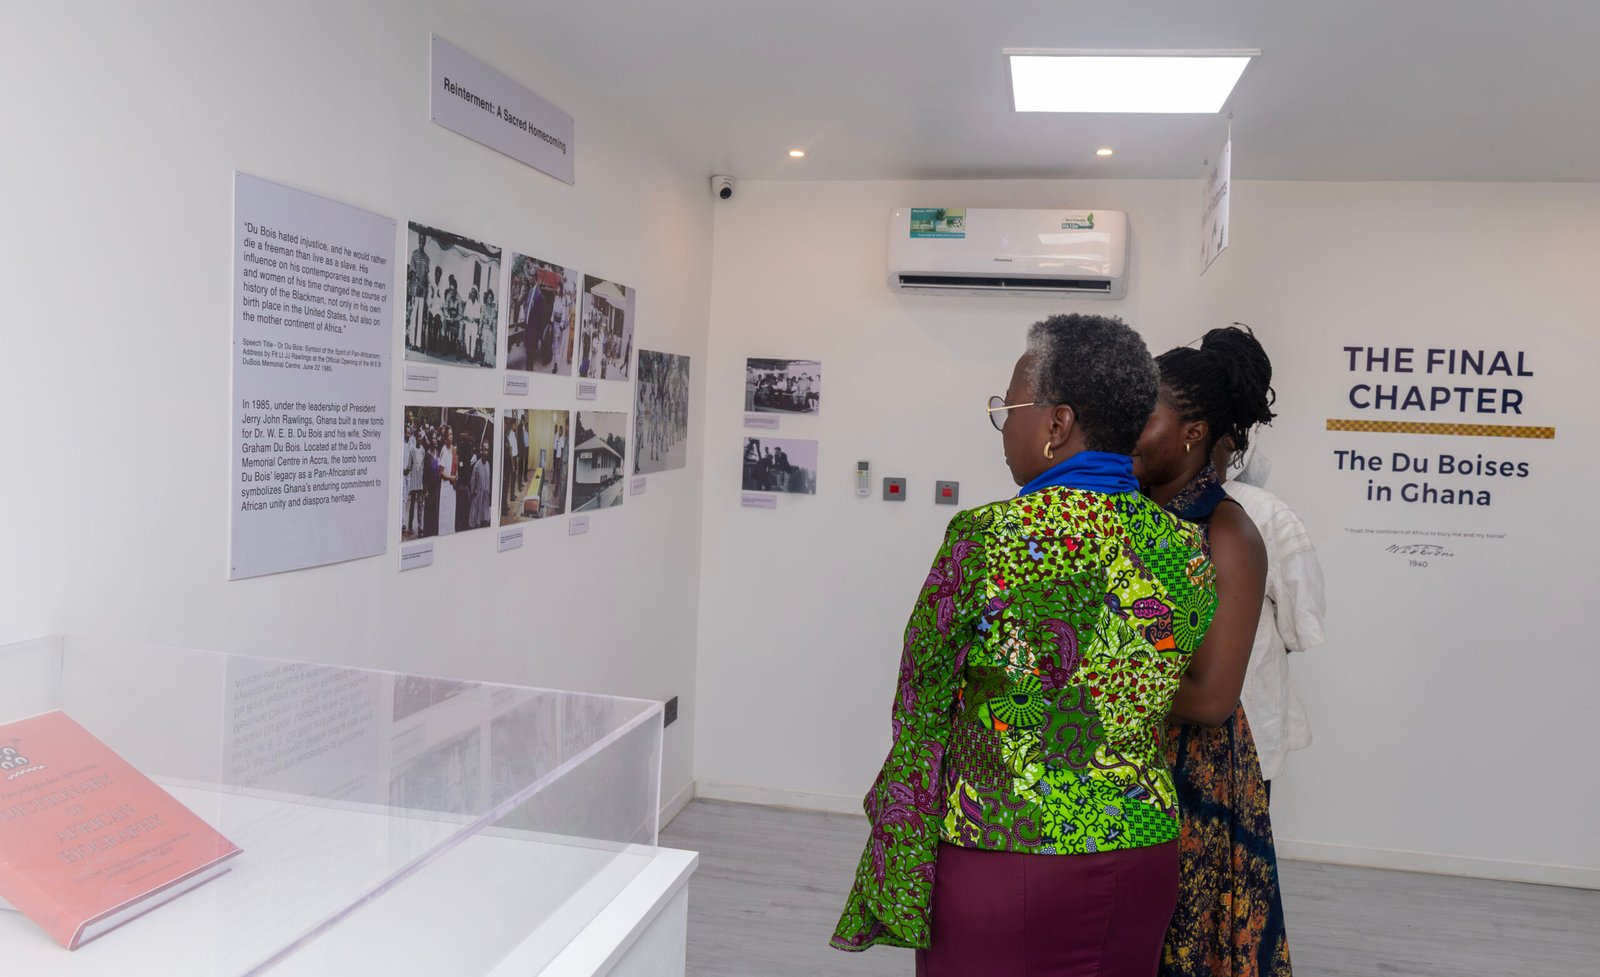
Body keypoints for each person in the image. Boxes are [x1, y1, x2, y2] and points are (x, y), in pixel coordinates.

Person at [834, 314, 1218, 977]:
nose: (1003, 427)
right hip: (1140, 849)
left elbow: (922, 703)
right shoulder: (1182, 545)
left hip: (1003, 846)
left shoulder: (987, 537)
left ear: (1057, 423)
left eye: (1008, 409)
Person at [1128, 326, 1288, 977]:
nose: (1126, 430)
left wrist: (1094, 677)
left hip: (1189, 780)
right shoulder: (1124, 514)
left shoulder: (1226, 531)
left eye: (1144, 416)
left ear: (1194, 432)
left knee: (1178, 949)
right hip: (1119, 766)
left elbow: (1214, 698)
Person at [1210, 439, 1327, 796]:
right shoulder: (1266, 511)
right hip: (1250, 722)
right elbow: (1301, 623)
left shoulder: (1135, 507)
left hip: (1170, 724)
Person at [407, 234, 430, 351]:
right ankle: (412, 342)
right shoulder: (414, 254)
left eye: (423, 239)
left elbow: (426, 275)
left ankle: (419, 344)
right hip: (416, 290)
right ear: (418, 240)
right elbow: (412, 272)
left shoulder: (427, 258)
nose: (422, 241)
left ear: (425, 241)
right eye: (420, 239)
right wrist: (416, 285)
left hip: (423, 292)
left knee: (420, 317)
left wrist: (425, 288)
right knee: (413, 316)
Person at [437, 426, 458, 536]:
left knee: (451, 511)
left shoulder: (454, 450)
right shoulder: (444, 450)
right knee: (445, 513)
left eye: (452, 434)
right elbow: (441, 473)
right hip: (446, 485)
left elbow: (455, 466)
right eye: (449, 435)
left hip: (452, 487)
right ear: (445, 438)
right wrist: (450, 478)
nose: (451, 436)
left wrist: (456, 475)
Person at [468, 441, 492, 528]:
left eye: (487, 450)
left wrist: (488, 491)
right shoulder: (477, 466)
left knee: (485, 521)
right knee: (477, 522)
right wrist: (473, 493)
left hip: (485, 497)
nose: (486, 452)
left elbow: (488, 480)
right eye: (484, 450)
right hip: (478, 497)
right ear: (481, 450)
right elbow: (473, 482)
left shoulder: (488, 465)